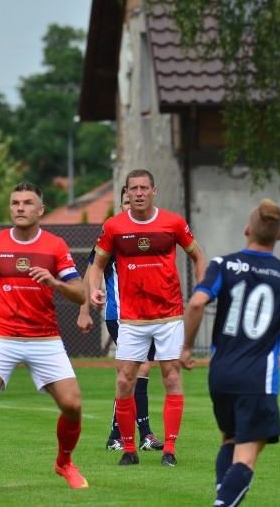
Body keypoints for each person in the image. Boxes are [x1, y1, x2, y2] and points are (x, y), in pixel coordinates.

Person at [0, 181, 89, 495]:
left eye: (28, 203)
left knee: (73, 405)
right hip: (1, 335)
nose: (20, 208)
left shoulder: (55, 246)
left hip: (45, 337)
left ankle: (64, 463)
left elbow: (80, 292)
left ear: (40, 210)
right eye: (15, 203)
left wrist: (55, 283)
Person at [179, 199, 280, 506]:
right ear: (279, 237)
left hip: (221, 374)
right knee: (247, 457)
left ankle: (223, 497)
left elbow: (197, 303)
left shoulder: (222, 265)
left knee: (230, 440)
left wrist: (186, 347)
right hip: (257, 379)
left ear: (247, 230)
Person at [87, 168, 206, 467]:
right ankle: (129, 450)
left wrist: (203, 293)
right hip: (131, 319)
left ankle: (170, 450)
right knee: (125, 381)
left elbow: (198, 256)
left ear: (154, 190)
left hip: (168, 317)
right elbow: (97, 264)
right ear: (126, 193)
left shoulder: (173, 223)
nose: (138, 193)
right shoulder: (113, 226)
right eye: (133, 189)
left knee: (172, 378)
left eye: (144, 187)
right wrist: (93, 290)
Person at [77, 186, 164, 452]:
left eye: (133, 202)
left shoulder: (149, 237)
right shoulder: (113, 236)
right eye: (125, 202)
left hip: (147, 316)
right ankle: (142, 434)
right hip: (120, 315)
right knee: (140, 369)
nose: (130, 206)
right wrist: (84, 309)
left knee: (132, 373)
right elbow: (91, 271)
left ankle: (117, 434)